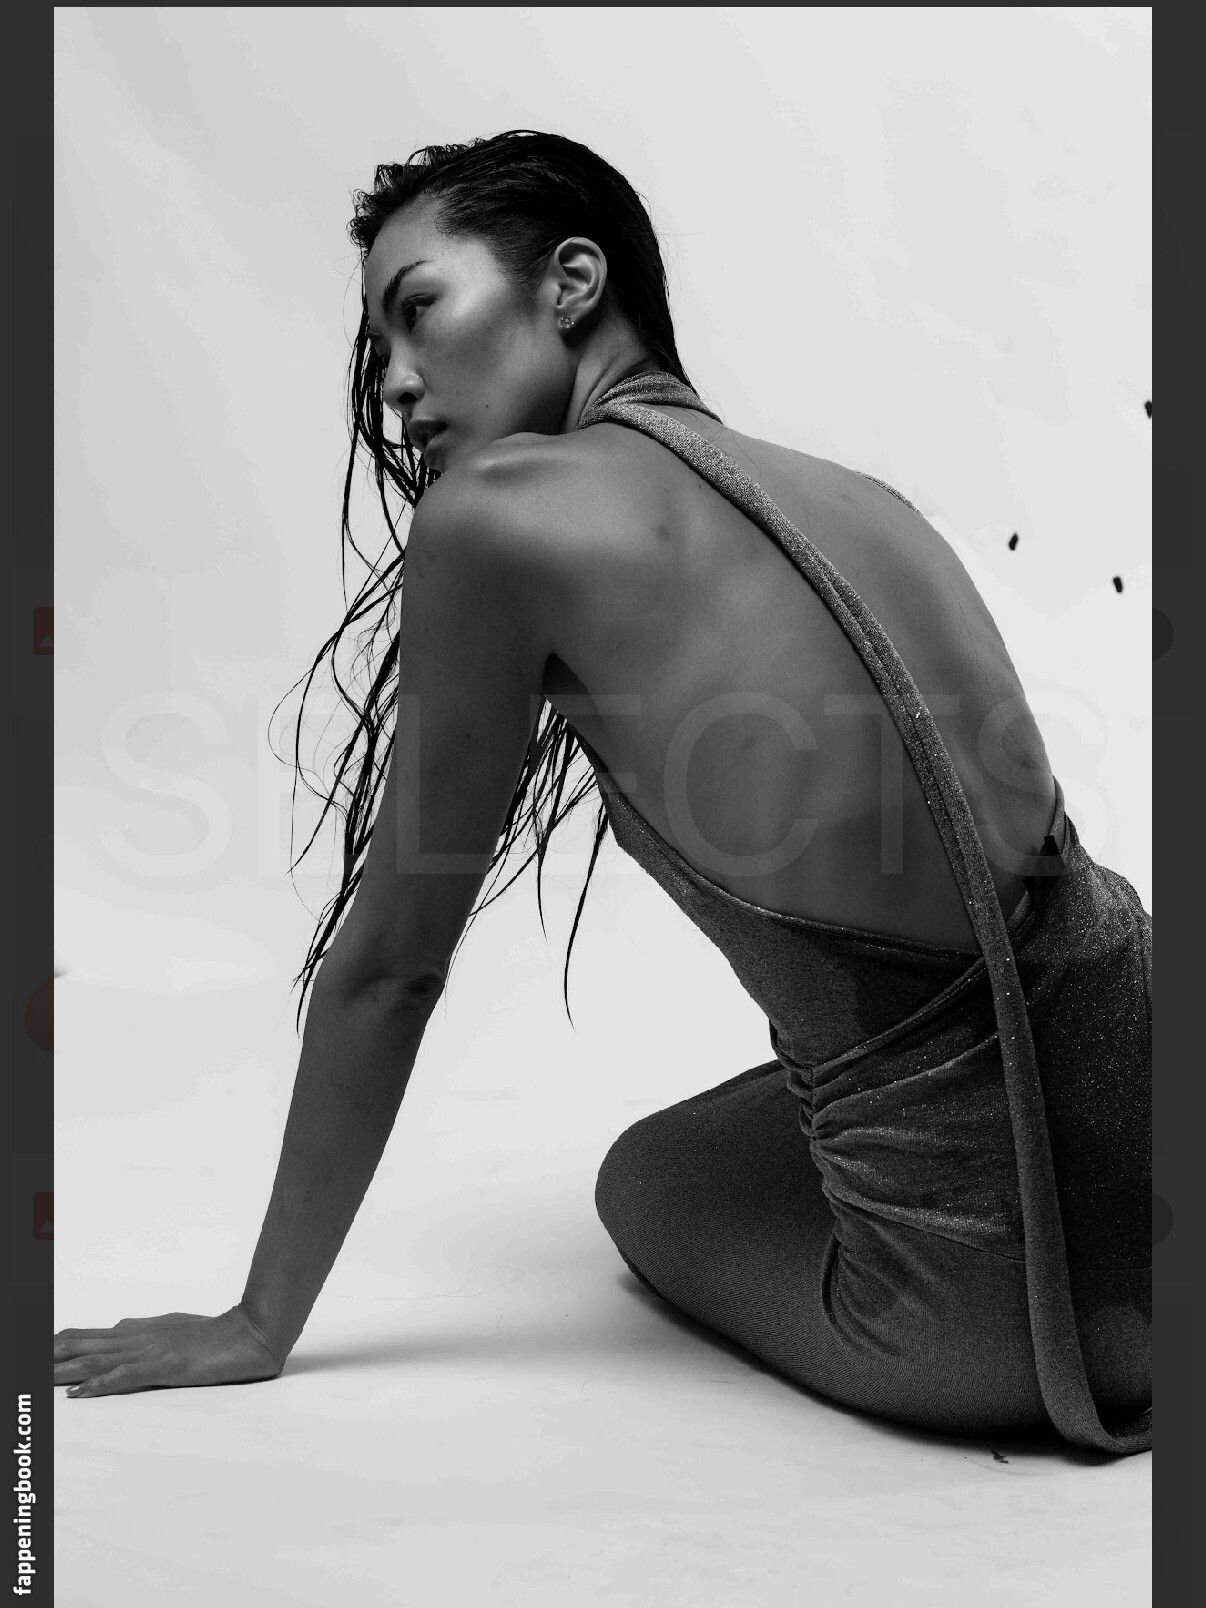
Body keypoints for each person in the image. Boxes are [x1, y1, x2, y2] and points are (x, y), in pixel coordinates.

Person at [53, 131, 1150, 1455]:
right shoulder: (865, 500)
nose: (395, 382)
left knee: (648, 1176)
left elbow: (391, 969)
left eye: (417, 310)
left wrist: (254, 1323)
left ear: (572, 282)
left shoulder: (500, 511)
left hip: (991, 1325)